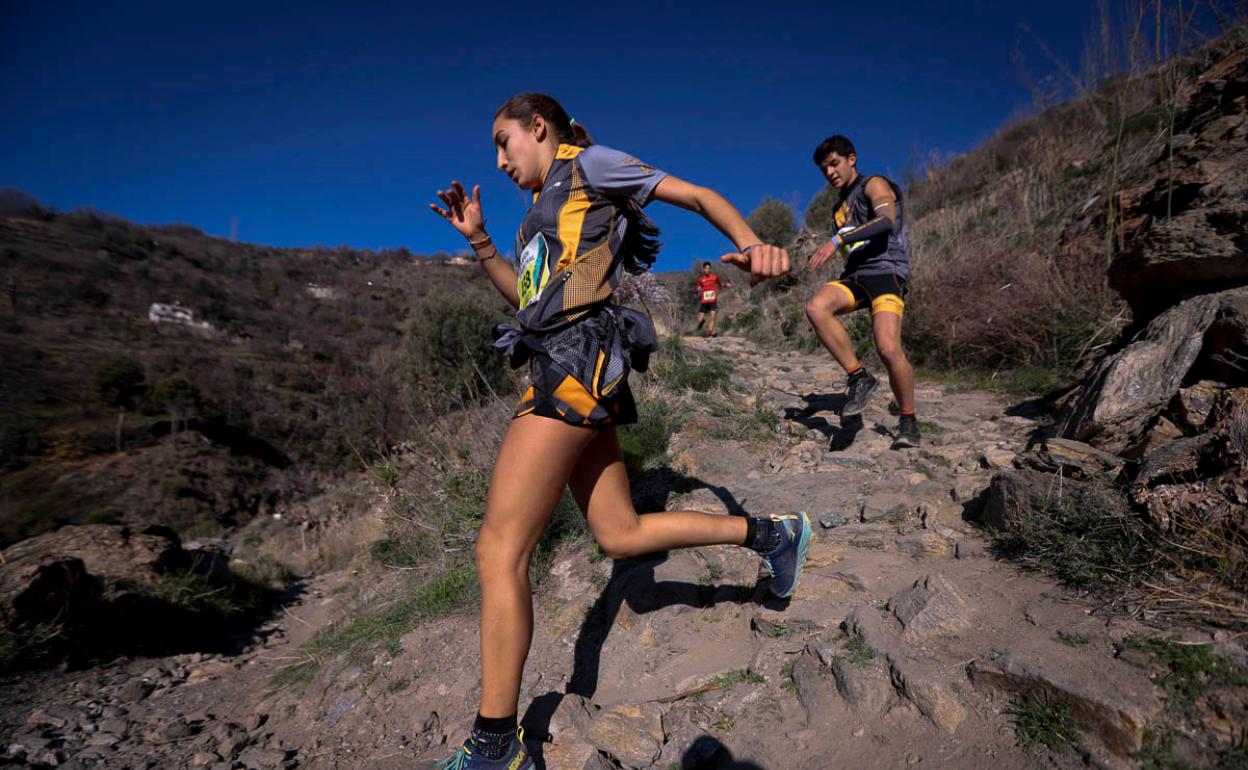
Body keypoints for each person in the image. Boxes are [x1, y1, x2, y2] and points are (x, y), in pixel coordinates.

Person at [426, 92, 811, 770]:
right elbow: (524, 297)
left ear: (536, 127)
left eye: (502, 141)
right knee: (621, 535)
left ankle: (493, 746)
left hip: (574, 367)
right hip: (561, 367)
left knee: (498, 549)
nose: (497, 158)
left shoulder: (591, 165)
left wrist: (749, 244)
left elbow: (695, 195)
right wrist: (482, 240)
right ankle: (773, 535)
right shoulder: (535, 216)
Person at [804, 135, 921, 448]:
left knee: (888, 349)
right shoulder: (838, 207)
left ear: (851, 159)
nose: (829, 172)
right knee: (817, 307)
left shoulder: (874, 184)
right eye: (823, 169)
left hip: (887, 273)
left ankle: (908, 419)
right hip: (855, 277)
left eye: (834, 163)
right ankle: (859, 378)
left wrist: (835, 241)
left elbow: (885, 221)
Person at [694, 260, 729, 337]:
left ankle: (709, 332)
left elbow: (720, 284)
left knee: (713, 316)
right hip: (704, 301)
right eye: (706, 268)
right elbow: (698, 287)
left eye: (709, 268)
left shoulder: (715, 277)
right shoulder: (701, 279)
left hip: (712, 300)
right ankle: (702, 322)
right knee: (700, 319)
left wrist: (726, 284)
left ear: (710, 269)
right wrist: (699, 288)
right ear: (703, 269)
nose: (707, 270)